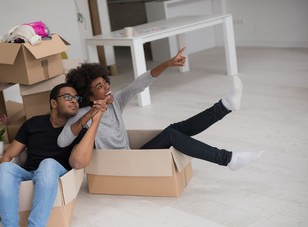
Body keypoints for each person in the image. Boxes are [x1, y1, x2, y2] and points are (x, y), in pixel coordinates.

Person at [57, 47, 263, 170]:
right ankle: (228, 159)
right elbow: (63, 140)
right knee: (172, 135)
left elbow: (138, 84)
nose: (107, 88)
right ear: (89, 95)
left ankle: (225, 106)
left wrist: (167, 64)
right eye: (99, 87)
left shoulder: (115, 102)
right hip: (120, 165)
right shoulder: (83, 113)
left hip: (131, 155)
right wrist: (95, 113)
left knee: (174, 128)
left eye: (106, 82)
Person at [0, 83, 105, 227]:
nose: (74, 101)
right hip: (30, 174)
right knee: (5, 167)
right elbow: (8, 155)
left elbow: (80, 161)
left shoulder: (78, 131)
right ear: (53, 103)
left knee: (48, 164)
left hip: (55, 173)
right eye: (68, 97)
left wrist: (94, 120)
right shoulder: (33, 124)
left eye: (76, 98)